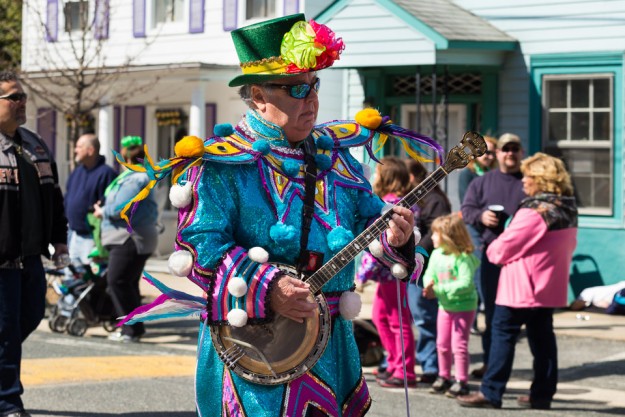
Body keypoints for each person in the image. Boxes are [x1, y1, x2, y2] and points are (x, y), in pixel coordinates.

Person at [115, 14, 448, 416]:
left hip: (330, 343)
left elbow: (370, 223)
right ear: (258, 95)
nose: (311, 99)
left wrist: (397, 239)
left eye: (314, 85)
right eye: (296, 88)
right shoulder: (223, 164)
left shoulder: (336, 156)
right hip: (256, 345)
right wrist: (269, 287)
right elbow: (202, 247)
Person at [457, 153, 578, 409]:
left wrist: (491, 249)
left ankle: (491, 392)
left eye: (528, 177)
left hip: (521, 285)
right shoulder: (566, 207)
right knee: (543, 340)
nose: (523, 182)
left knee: (502, 335)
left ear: (540, 179)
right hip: (548, 287)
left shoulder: (535, 211)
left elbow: (503, 248)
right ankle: (542, 395)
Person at [0, 70, 68, 417]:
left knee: (31, 316)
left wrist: (60, 241)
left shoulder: (35, 145)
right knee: (6, 331)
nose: (21, 102)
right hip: (2, 260)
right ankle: (8, 401)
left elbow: (54, 199)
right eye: (13, 97)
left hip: (31, 257)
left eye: (22, 95)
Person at [460, 133, 526, 378]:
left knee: (531, 320)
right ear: (497, 153)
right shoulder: (482, 182)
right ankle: (490, 364)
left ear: (521, 153)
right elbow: (467, 210)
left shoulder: (529, 183)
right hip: (492, 257)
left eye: (514, 148)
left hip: (522, 260)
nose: (510, 153)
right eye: (505, 149)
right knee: (493, 312)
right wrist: (481, 217)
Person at [356, 157, 418, 388]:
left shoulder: (390, 204)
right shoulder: (390, 201)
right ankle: (394, 364)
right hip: (386, 277)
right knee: (381, 319)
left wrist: (362, 276)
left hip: (394, 274)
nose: (375, 178)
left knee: (397, 322)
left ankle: (405, 371)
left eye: (379, 175)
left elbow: (378, 245)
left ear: (387, 177)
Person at [93, 136, 158, 343]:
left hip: (129, 238)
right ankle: (134, 328)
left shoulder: (136, 179)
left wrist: (102, 211)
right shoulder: (133, 177)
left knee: (117, 281)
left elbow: (122, 208)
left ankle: (132, 329)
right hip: (128, 237)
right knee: (127, 283)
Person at [405, 159, 451, 385]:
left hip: (427, 267)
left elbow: (435, 229)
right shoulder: (418, 198)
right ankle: (430, 363)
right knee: (421, 317)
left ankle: (432, 367)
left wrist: (419, 251)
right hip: (415, 266)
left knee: (426, 318)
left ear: (413, 177)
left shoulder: (433, 200)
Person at [422, 214, 479, 397]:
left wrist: (438, 289)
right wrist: (428, 284)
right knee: (442, 344)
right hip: (445, 307)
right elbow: (428, 274)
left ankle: (461, 381)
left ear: (447, 236)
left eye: (435, 234)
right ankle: (444, 376)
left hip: (464, 307)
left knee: (459, 345)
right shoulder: (437, 254)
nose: (432, 238)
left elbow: (465, 283)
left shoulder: (463, 258)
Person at [457, 135, 497, 334]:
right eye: (485, 152)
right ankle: (472, 320)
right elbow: (467, 203)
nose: (489, 156)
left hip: (491, 228)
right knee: (478, 273)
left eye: (492, 152)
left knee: (489, 274)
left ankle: (489, 317)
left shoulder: (494, 174)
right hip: (473, 226)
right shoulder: (468, 174)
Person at [64, 133, 116, 278]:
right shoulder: (77, 172)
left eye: (79, 147)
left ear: (90, 150)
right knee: (71, 277)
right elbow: (68, 197)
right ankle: (70, 301)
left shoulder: (107, 174)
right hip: (73, 235)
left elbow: (109, 206)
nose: (75, 150)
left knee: (91, 279)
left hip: (92, 239)